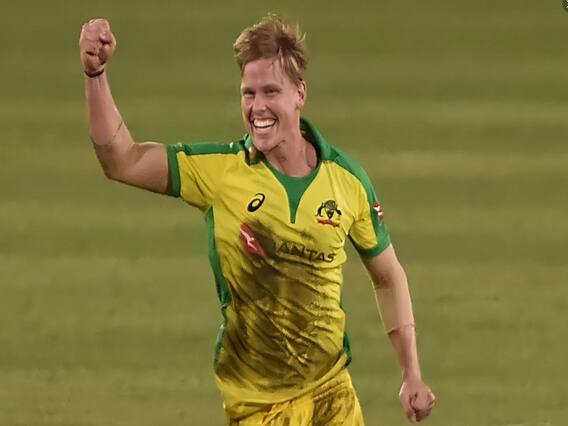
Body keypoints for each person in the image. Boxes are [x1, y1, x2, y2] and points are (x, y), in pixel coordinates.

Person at [79, 14, 435, 425]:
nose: (257, 107)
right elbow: (122, 160)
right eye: (248, 93)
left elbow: (388, 276)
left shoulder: (347, 181)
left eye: (271, 91)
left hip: (331, 395)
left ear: (300, 94)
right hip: (259, 405)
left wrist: (411, 372)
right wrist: (95, 74)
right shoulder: (221, 172)